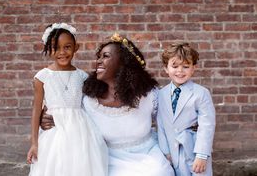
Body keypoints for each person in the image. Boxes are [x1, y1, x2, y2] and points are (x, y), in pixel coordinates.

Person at [41, 33, 174, 176]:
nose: (98, 61)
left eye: (105, 56)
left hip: (147, 155)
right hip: (106, 158)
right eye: (99, 57)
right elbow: (71, 118)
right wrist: (50, 120)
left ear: (123, 63)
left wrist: (193, 122)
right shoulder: (88, 100)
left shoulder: (148, 95)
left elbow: (171, 119)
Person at [26, 23, 108, 176]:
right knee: (56, 165)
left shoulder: (82, 76)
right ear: (48, 49)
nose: (62, 52)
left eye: (67, 47)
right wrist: (34, 143)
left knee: (80, 165)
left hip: (80, 131)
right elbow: (36, 109)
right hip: (54, 129)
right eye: (56, 48)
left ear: (76, 47)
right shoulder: (42, 77)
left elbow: (87, 105)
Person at [157, 42, 216, 176]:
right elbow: (160, 125)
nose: (180, 71)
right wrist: (165, 152)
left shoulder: (201, 93)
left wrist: (202, 154)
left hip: (194, 149)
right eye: (175, 66)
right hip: (172, 152)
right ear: (166, 68)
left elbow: (207, 125)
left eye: (185, 66)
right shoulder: (161, 94)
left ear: (193, 68)